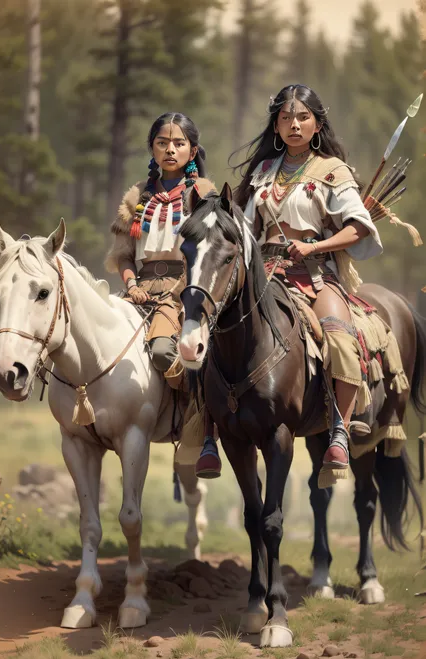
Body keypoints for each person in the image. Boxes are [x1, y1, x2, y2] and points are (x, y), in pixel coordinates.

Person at [196, 83, 385, 479]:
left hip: (316, 276)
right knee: (209, 332)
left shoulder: (333, 170)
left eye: (303, 118)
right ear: (277, 126)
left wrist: (315, 249)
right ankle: (207, 433)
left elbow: (358, 228)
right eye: (286, 118)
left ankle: (339, 430)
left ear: (317, 124)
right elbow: (244, 228)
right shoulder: (263, 173)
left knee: (340, 335)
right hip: (264, 275)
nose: (294, 125)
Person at [105, 112, 216, 383]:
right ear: (152, 148)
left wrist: (181, 291)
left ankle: (188, 415)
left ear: (193, 151)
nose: (170, 149)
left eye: (179, 143)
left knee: (162, 351)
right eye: (162, 142)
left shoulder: (204, 194)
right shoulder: (136, 197)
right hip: (139, 290)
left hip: (185, 291)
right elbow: (124, 256)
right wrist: (132, 286)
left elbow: (211, 257)